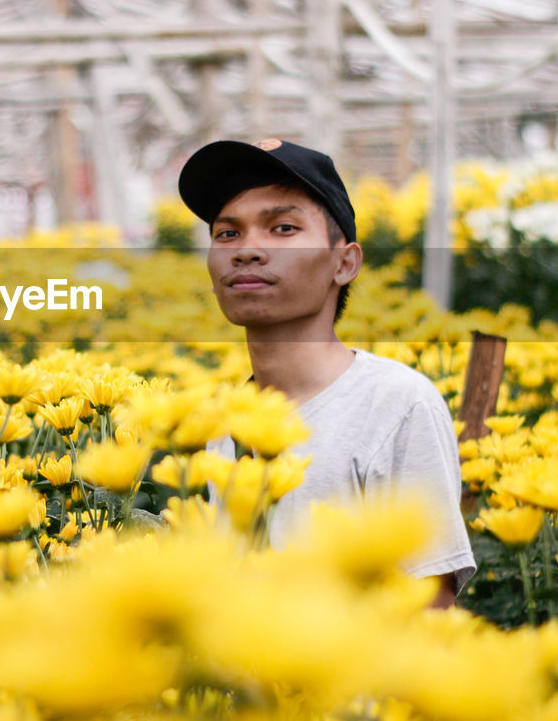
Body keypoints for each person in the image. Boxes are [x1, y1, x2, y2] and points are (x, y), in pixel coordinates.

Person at [177, 138, 477, 608]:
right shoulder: (218, 423)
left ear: (345, 262)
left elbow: (428, 616)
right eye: (227, 234)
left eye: (282, 227)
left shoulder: (396, 405)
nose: (247, 250)